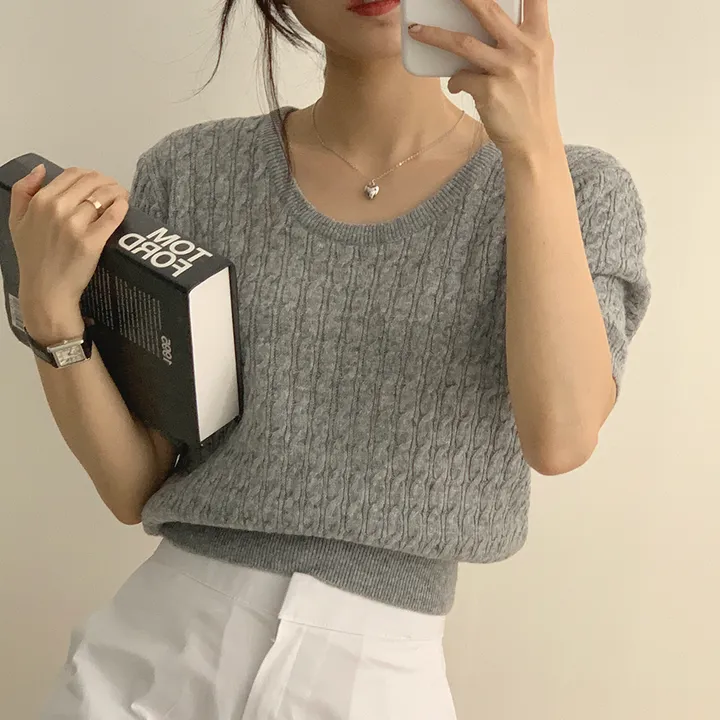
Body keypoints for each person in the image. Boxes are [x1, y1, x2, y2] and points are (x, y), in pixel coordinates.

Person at [10, 0, 651, 718]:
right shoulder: (190, 171)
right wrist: (51, 316)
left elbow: (561, 437)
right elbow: (136, 483)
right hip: (153, 655)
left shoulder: (578, 188)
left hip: (371, 678)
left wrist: (532, 148)